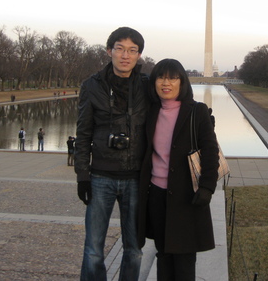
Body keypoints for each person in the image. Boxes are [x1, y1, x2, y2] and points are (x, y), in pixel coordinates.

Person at [75, 27, 149, 281]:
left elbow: (173, 104)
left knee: (134, 250)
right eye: (120, 49)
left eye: (132, 50)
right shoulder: (91, 86)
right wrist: (82, 175)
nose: (125, 55)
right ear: (109, 51)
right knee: (93, 250)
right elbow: (83, 133)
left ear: (139, 54)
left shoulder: (146, 86)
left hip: (136, 177)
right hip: (101, 176)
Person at [138, 58, 219, 281]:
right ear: (154, 82)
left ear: (182, 82)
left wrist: (207, 187)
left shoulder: (197, 111)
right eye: (161, 78)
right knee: (163, 254)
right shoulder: (151, 111)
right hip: (157, 195)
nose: (166, 83)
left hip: (186, 196)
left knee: (184, 259)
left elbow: (210, 151)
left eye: (173, 78)